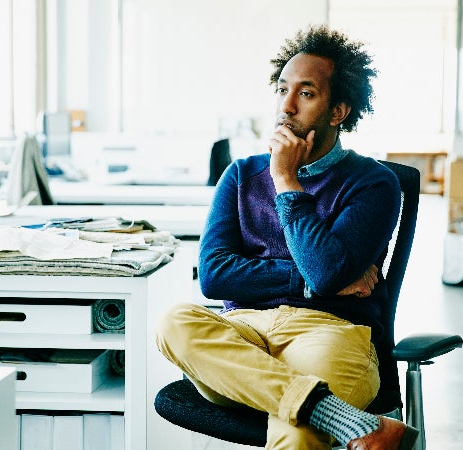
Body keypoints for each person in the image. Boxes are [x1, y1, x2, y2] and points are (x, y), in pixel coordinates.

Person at [155, 25, 419, 450]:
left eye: (307, 93)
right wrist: (312, 285)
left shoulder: (375, 183)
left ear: (338, 111)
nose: (287, 106)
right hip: (243, 333)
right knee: (174, 323)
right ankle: (341, 417)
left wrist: (285, 179)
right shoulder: (240, 174)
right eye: (282, 90)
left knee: (295, 431)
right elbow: (214, 275)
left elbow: (326, 269)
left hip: (331, 331)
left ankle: (312, 408)